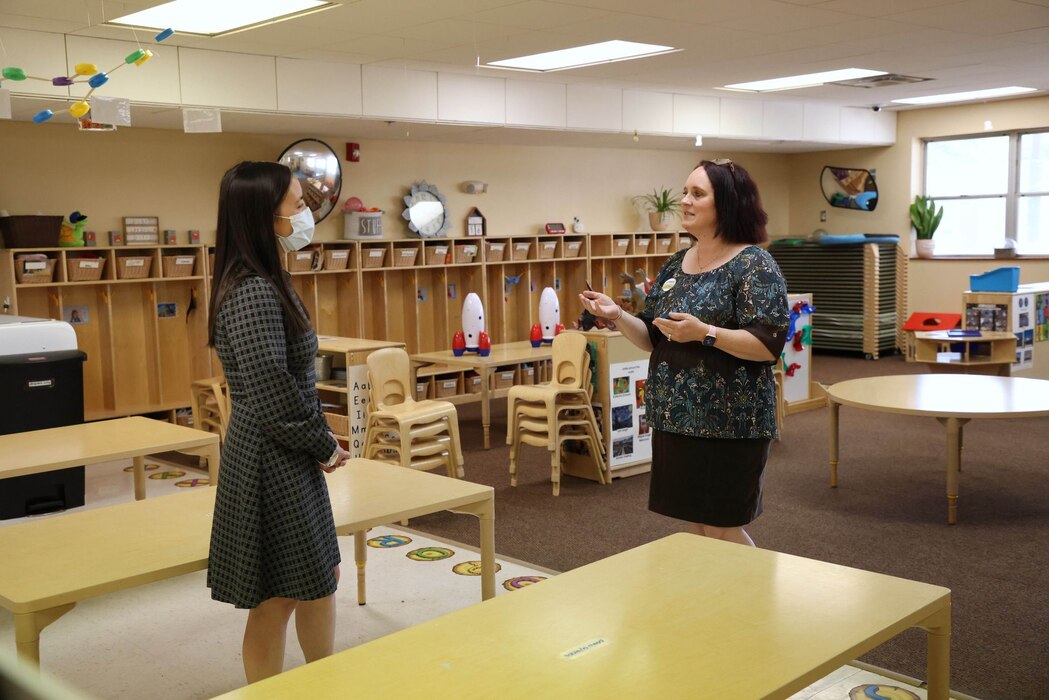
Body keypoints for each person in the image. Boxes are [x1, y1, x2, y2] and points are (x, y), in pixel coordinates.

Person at [580, 159, 789, 547]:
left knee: (722, 525)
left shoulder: (754, 264)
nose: (684, 201)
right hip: (675, 417)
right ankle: (715, 604)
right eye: (685, 191)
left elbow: (767, 346)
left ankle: (756, 601)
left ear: (725, 204)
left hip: (730, 421)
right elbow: (653, 337)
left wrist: (705, 333)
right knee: (696, 525)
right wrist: (618, 314)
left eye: (697, 194)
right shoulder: (678, 261)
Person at [206, 161, 350, 683]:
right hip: (269, 454)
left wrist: (318, 440)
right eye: (297, 205)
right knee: (277, 596)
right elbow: (272, 389)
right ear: (264, 217)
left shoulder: (270, 280)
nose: (307, 213)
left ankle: (321, 684)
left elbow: (284, 383)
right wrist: (324, 444)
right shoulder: (251, 290)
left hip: (288, 449)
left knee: (319, 576)